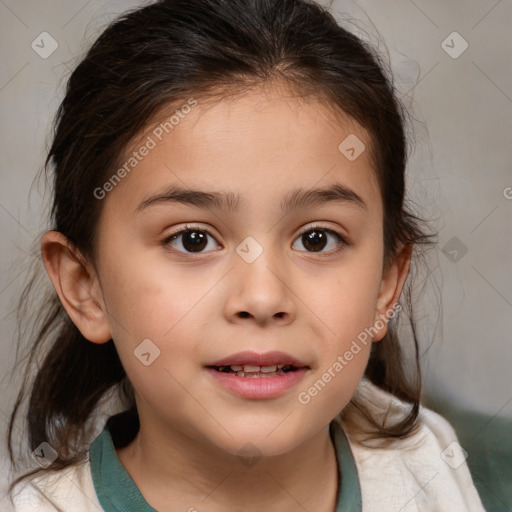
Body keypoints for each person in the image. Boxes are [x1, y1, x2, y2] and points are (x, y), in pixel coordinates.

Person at [6, 0, 485, 510]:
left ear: (387, 283)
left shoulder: (425, 462)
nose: (262, 297)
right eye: (192, 239)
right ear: (86, 287)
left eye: (317, 239)